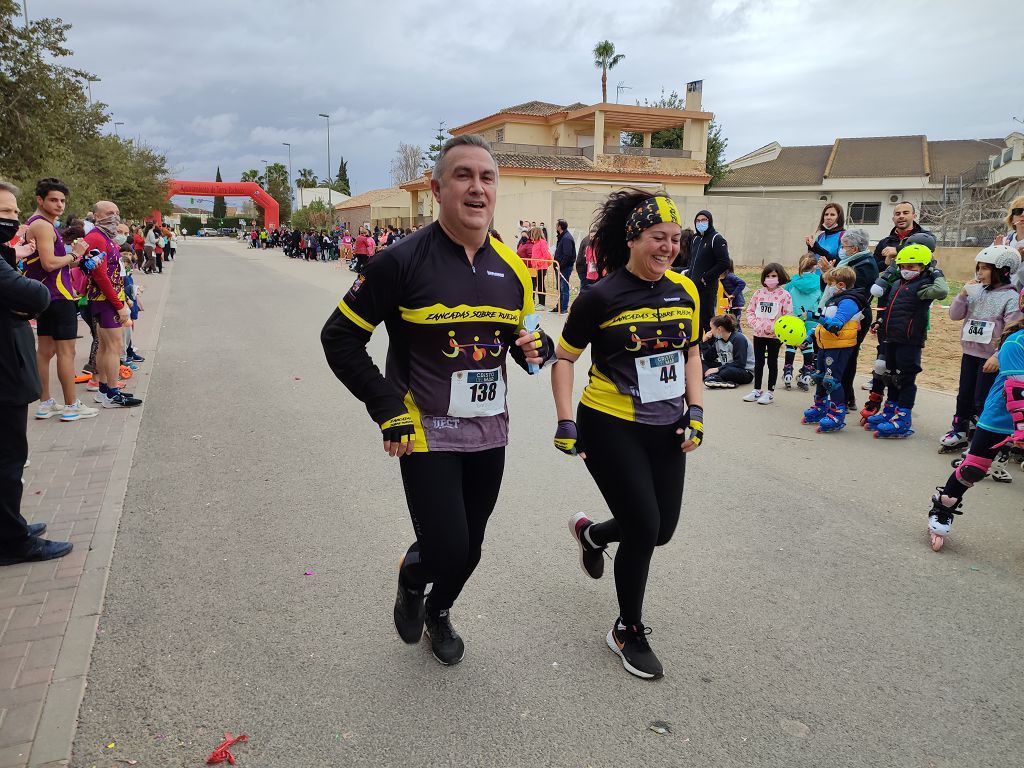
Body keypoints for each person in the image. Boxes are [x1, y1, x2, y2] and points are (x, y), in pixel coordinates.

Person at [320, 135, 554, 667]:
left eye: (487, 178)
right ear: (437, 188)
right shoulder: (398, 262)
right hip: (423, 428)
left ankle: (439, 609)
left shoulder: (515, 269)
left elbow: (526, 345)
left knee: (470, 547)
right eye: (464, 176)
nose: (477, 188)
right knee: (448, 545)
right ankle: (413, 576)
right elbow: (339, 339)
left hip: (489, 430)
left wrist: (534, 348)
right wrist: (386, 406)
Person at [550, 190, 703, 680]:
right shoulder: (601, 296)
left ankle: (593, 534)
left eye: (676, 240)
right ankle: (627, 629)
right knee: (642, 527)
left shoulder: (687, 290)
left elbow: (692, 354)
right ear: (633, 238)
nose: (668, 248)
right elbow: (565, 359)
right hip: (609, 423)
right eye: (659, 238)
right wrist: (564, 420)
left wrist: (696, 411)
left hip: (667, 426)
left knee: (661, 530)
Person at [0, 180, 74, 565]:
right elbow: (36, 293)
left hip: (10, 363)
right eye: (5, 213)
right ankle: (11, 541)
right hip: (5, 372)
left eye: (13, 212)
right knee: (9, 458)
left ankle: (10, 525)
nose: (13, 221)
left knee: (11, 456)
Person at [927, 289, 1024, 551]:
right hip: (1001, 418)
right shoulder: (1016, 342)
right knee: (974, 468)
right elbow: (1018, 390)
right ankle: (943, 507)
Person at [939, 246, 1022, 480]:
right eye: (979, 267)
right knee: (964, 394)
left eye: (986, 268)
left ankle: (983, 444)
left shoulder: (1011, 297)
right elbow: (955, 315)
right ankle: (960, 430)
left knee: (981, 399)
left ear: (1004, 271)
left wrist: (998, 354)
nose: (980, 272)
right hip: (970, 352)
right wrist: (963, 295)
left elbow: (1010, 330)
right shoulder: (976, 292)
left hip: (991, 358)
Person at [23, 178, 96, 422]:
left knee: (45, 351)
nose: (59, 205)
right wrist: (74, 254)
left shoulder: (36, 224)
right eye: (53, 200)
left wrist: (77, 257)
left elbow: (54, 263)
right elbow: (49, 263)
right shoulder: (43, 226)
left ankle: (46, 403)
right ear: (39, 200)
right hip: (58, 296)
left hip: (44, 295)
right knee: (67, 352)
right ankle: (71, 405)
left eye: (62, 200)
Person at [868, 244, 947, 438]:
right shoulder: (897, 284)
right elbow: (892, 309)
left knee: (905, 379)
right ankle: (890, 411)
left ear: (924, 267)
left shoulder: (924, 286)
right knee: (891, 376)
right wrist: (880, 321)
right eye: (903, 266)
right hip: (891, 336)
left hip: (909, 340)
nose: (907, 270)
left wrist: (936, 272)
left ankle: (903, 417)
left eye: (913, 267)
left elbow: (942, 291)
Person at [84, 201, 142, 409]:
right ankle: (112, 393)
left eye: (117, 213)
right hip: (105, 300)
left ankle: (104, 390)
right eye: (109, 213)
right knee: (114, 347)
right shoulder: (96, 238)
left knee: (106, 346)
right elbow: (101, 277)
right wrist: (119, 305)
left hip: (106, 299)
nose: (114, 217)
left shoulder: (104, 238)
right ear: (97, 216)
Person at [800, 266, 869, 432]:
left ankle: (837, 414)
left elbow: (835, 325)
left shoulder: (849, 302)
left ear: (840, 284)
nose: (827, 288)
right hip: (826, 345)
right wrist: (810, 336)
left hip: (838, 348)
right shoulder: (834, 300)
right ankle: (820, 407)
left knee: (831, 381)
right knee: (820, 376)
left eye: (829, 284)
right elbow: (822, 326)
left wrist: (813, 316)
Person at [743, 263, 792, 404]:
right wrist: (755, 323)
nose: (770, 278)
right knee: (758, 363)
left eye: (774, 276)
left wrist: (778, 328)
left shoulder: (785, 295)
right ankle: (756, 390)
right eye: (768, 276)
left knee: (772, 362)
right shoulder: (758, 293)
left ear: (779, 277)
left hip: (774, 336)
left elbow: (787, 315)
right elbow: (750, 311)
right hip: (759, 334)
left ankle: (770, 392)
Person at [688, 209, 730, 335]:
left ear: (710, 221)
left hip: (707, 289)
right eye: (698, 220)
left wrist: (705, 278)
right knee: (695, 321)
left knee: (708, 321)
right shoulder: (695, 240)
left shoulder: (716, 239)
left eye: (704, 220)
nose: (700, 223)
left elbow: (724, 262)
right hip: (693, 289)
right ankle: (697, 350)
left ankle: (710, 352)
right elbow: (691, 264)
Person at [783, 254, 821, 390]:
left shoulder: (792, 282)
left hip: (794, 318)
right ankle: (806, 374)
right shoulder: (819, 282)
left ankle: (787, 372)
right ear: (815, 267)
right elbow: (822, 300)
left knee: (791, 343)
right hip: (812, 318)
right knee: (808, 344)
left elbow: (785, 297)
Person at [702, 313, 754, 388]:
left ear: (719, 329)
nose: (710, 331)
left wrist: (717, 369)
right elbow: (709, 357)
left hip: (744, 371)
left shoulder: (738, 339)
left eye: (711, 328)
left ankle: (715, 378)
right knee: (701, 363)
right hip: (726, 366)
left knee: (726, 372)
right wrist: (704, 342)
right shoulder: (719, 339)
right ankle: (715, 378)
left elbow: (739, 363)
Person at [994, 196, 1024, 287]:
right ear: (1012, 218)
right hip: (1001, 295)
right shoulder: (1001, 242)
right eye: (1018, 211)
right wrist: (997, 254)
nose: (1023, 214)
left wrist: (1019, 261)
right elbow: (984, 272)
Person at [806, 203, 845, 267]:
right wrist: (811, 247)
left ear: (839, 217)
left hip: (831, 275)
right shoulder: (820, 236)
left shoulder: (844, 236)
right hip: (817, 275)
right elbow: (813, 259)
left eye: (832, 215)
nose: (828, 217)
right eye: (826, 214)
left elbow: (841, 263)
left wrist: (820, 250)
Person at [553, 219, 575, 313]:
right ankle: (559, 306)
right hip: (560, 267)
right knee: (559, 287)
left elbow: (567, 255)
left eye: (556, 225)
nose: (555, 227)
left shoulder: (566, 238)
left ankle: (564, 307)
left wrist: (560, 266)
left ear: (560, 226)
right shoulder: (562, 237)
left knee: (563, 287)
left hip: (564, 268)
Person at [526, 226, 552, 308]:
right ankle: (539, 302)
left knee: (540, 284)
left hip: (541, 267)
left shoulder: (542, 242)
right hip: (535, 268)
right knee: (536, 284)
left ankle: (542, 303)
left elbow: (546, 255)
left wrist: (538, 263)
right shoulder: (535, 243)